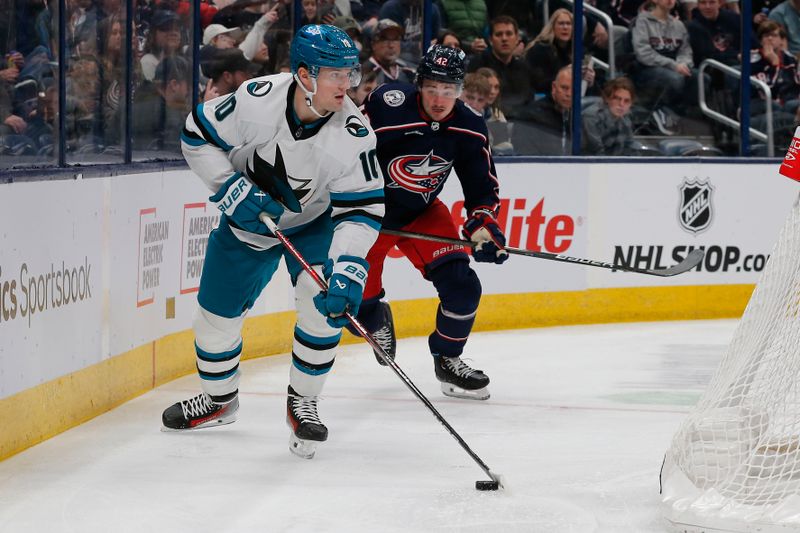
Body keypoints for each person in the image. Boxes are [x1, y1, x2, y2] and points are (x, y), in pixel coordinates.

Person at [161, 24, 385, 460]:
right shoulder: (255, 99)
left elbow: (361, 210)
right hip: (248, 223)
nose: (347, 85)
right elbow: (195, 134)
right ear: (304, 75)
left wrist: (348, 267)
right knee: (213, 322)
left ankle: (304, 401)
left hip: (315, 223)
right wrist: (229, 186)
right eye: (335, 75)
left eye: (349, 74)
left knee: (320, 302)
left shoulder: (354, 134)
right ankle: (220, 401)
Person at [358, 45, 508, 401]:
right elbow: (344, 150)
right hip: (366, 215)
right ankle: (375, 318)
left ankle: (448, 359)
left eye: (449, 89)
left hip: (421, 212)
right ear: (419, 84)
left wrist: (482, 224)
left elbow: (481, 187)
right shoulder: (386, 105)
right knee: (354, 304)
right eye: (432, 88)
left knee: (463, 287)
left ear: (459, 89)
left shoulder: (469, 126)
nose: (440, 98)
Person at [466, 15, 533, 120]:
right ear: (491, 40)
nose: (504, 39)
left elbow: (528, 99)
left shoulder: (524, 67)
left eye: (509, 34)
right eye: (499, 34)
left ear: (517, 39)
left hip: (521, 123)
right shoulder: (478, 63)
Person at [582, 76, 637, 155]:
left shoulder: (625, 119)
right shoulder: (591, 117)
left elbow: (629, 147)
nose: (621, 104)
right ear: (607, 98)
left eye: (626, 101)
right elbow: (596, 151)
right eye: (617, 98)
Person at [363, 18, 416, 85]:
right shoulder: (365, 73)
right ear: (373, 44)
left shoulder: (409, 70)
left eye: (395, 39)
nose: (391, 45)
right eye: (385, 40)